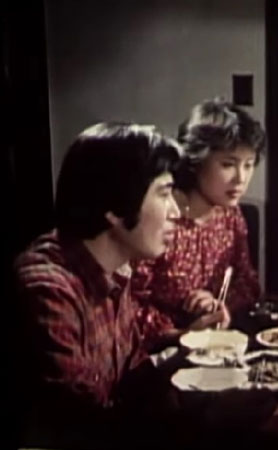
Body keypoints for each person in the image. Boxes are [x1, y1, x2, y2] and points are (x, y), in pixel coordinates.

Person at [14, 122, 184, 448]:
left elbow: (131, 380)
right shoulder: (48, 291)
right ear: (116, 210)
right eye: (164, 194)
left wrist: (193, 375)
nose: (176, 211)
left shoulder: (118, 266)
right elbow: (83, 427)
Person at [132, 98, 265, 350]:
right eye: (228, 164)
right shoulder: (161, 217)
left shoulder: (230, 214)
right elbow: (129, 307)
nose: (241, 178)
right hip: (159, 352)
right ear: (196, 161)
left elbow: (247, 282)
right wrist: (183, 333)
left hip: (216, 344)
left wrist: (219, 305)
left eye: (249, 165)